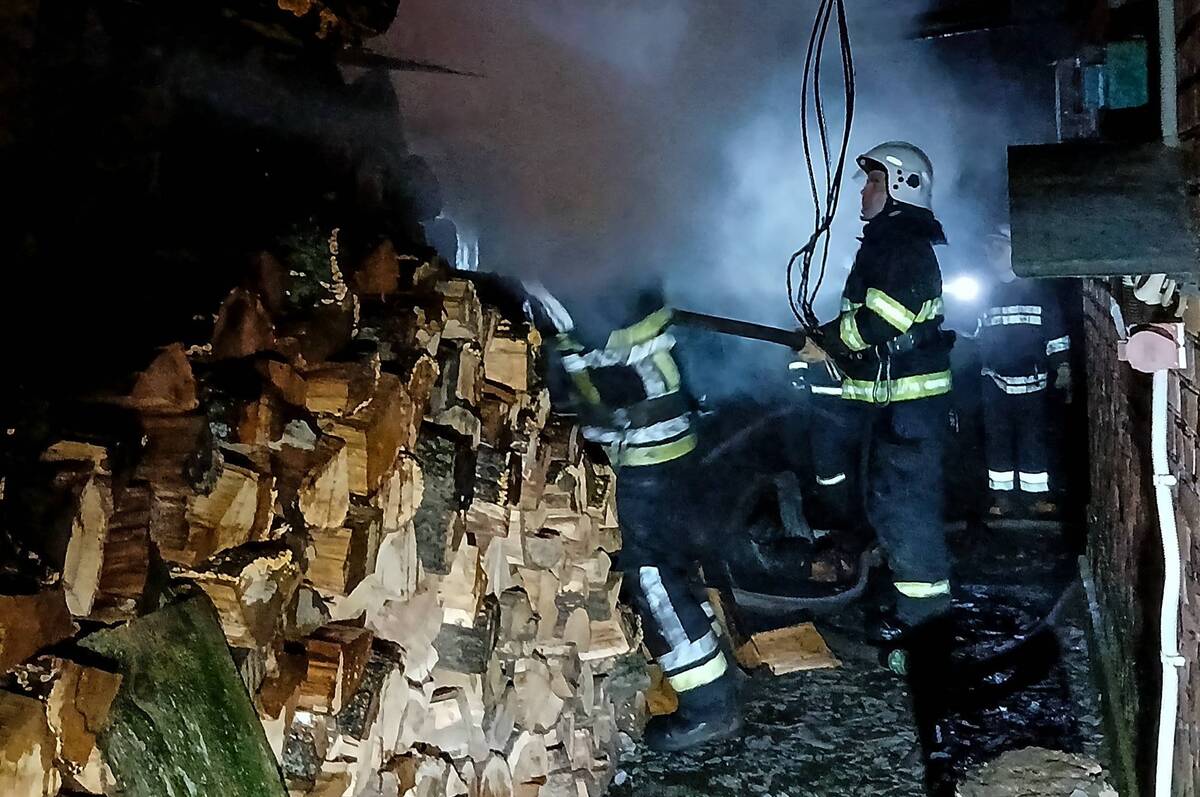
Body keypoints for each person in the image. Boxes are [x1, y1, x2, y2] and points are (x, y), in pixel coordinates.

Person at [518, 278, 743, 753]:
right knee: (672, 567)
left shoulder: (564, 269)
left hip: (645, 445)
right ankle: (715, 677)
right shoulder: (607, 254)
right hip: (666, 434)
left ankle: (709, 706)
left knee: (650, 575)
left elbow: (561, 335)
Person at [801, 140, 955, 644]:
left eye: (873, 181)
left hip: (910, 411)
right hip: (895, 409)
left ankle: (925, 637)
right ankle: (913, 620)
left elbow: (885, 319)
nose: (863, 192)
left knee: (909, 519)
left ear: (902, 187)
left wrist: (829, 342)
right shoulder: (889, 241)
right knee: (891, 510)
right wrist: (825, 338)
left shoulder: (904, 245)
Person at [976, 224, 1071, 517]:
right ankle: (1001, 497)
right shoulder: (985, 292)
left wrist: (1063, 368)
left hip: (1032, 382)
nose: (992, 254)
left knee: (1034, 440)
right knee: (998, 440)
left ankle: (1036, 497)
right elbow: (974, 333)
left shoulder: (1039, 291)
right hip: (994, 381)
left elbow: (1056, 335)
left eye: (999, 248)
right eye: (990, 248)